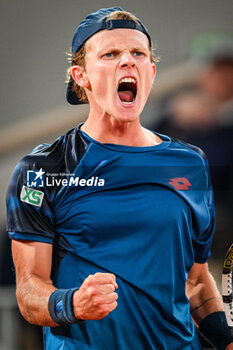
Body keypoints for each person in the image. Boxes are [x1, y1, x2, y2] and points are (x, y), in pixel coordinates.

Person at [6, 7, 233, 350]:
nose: (128, 61)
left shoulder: (190, 163)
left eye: (138, 53)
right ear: (80, 76)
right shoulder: (45, 169)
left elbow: (197, 281)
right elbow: (29, 291)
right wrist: (72, 304)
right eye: (111, 54)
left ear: (151, 72)